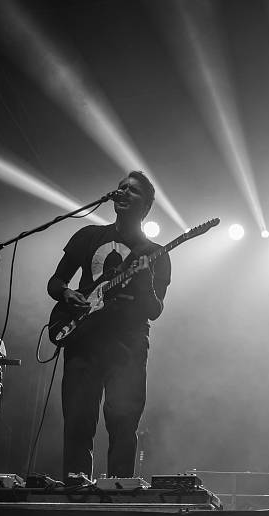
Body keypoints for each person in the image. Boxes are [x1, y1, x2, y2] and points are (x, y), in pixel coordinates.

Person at [47, 170, 171, 481]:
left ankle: (117, 497)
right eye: (121, 187)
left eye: (133, 190)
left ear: (146, 206)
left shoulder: (156, 253)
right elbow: (55, 280)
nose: (123, 192)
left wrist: (144, 282)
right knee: (77, 422)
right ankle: (76, 495)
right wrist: (67, 292)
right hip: (83, 341)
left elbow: (154, 310)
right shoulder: (88, 236)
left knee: (122, 423)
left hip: (127, 347)